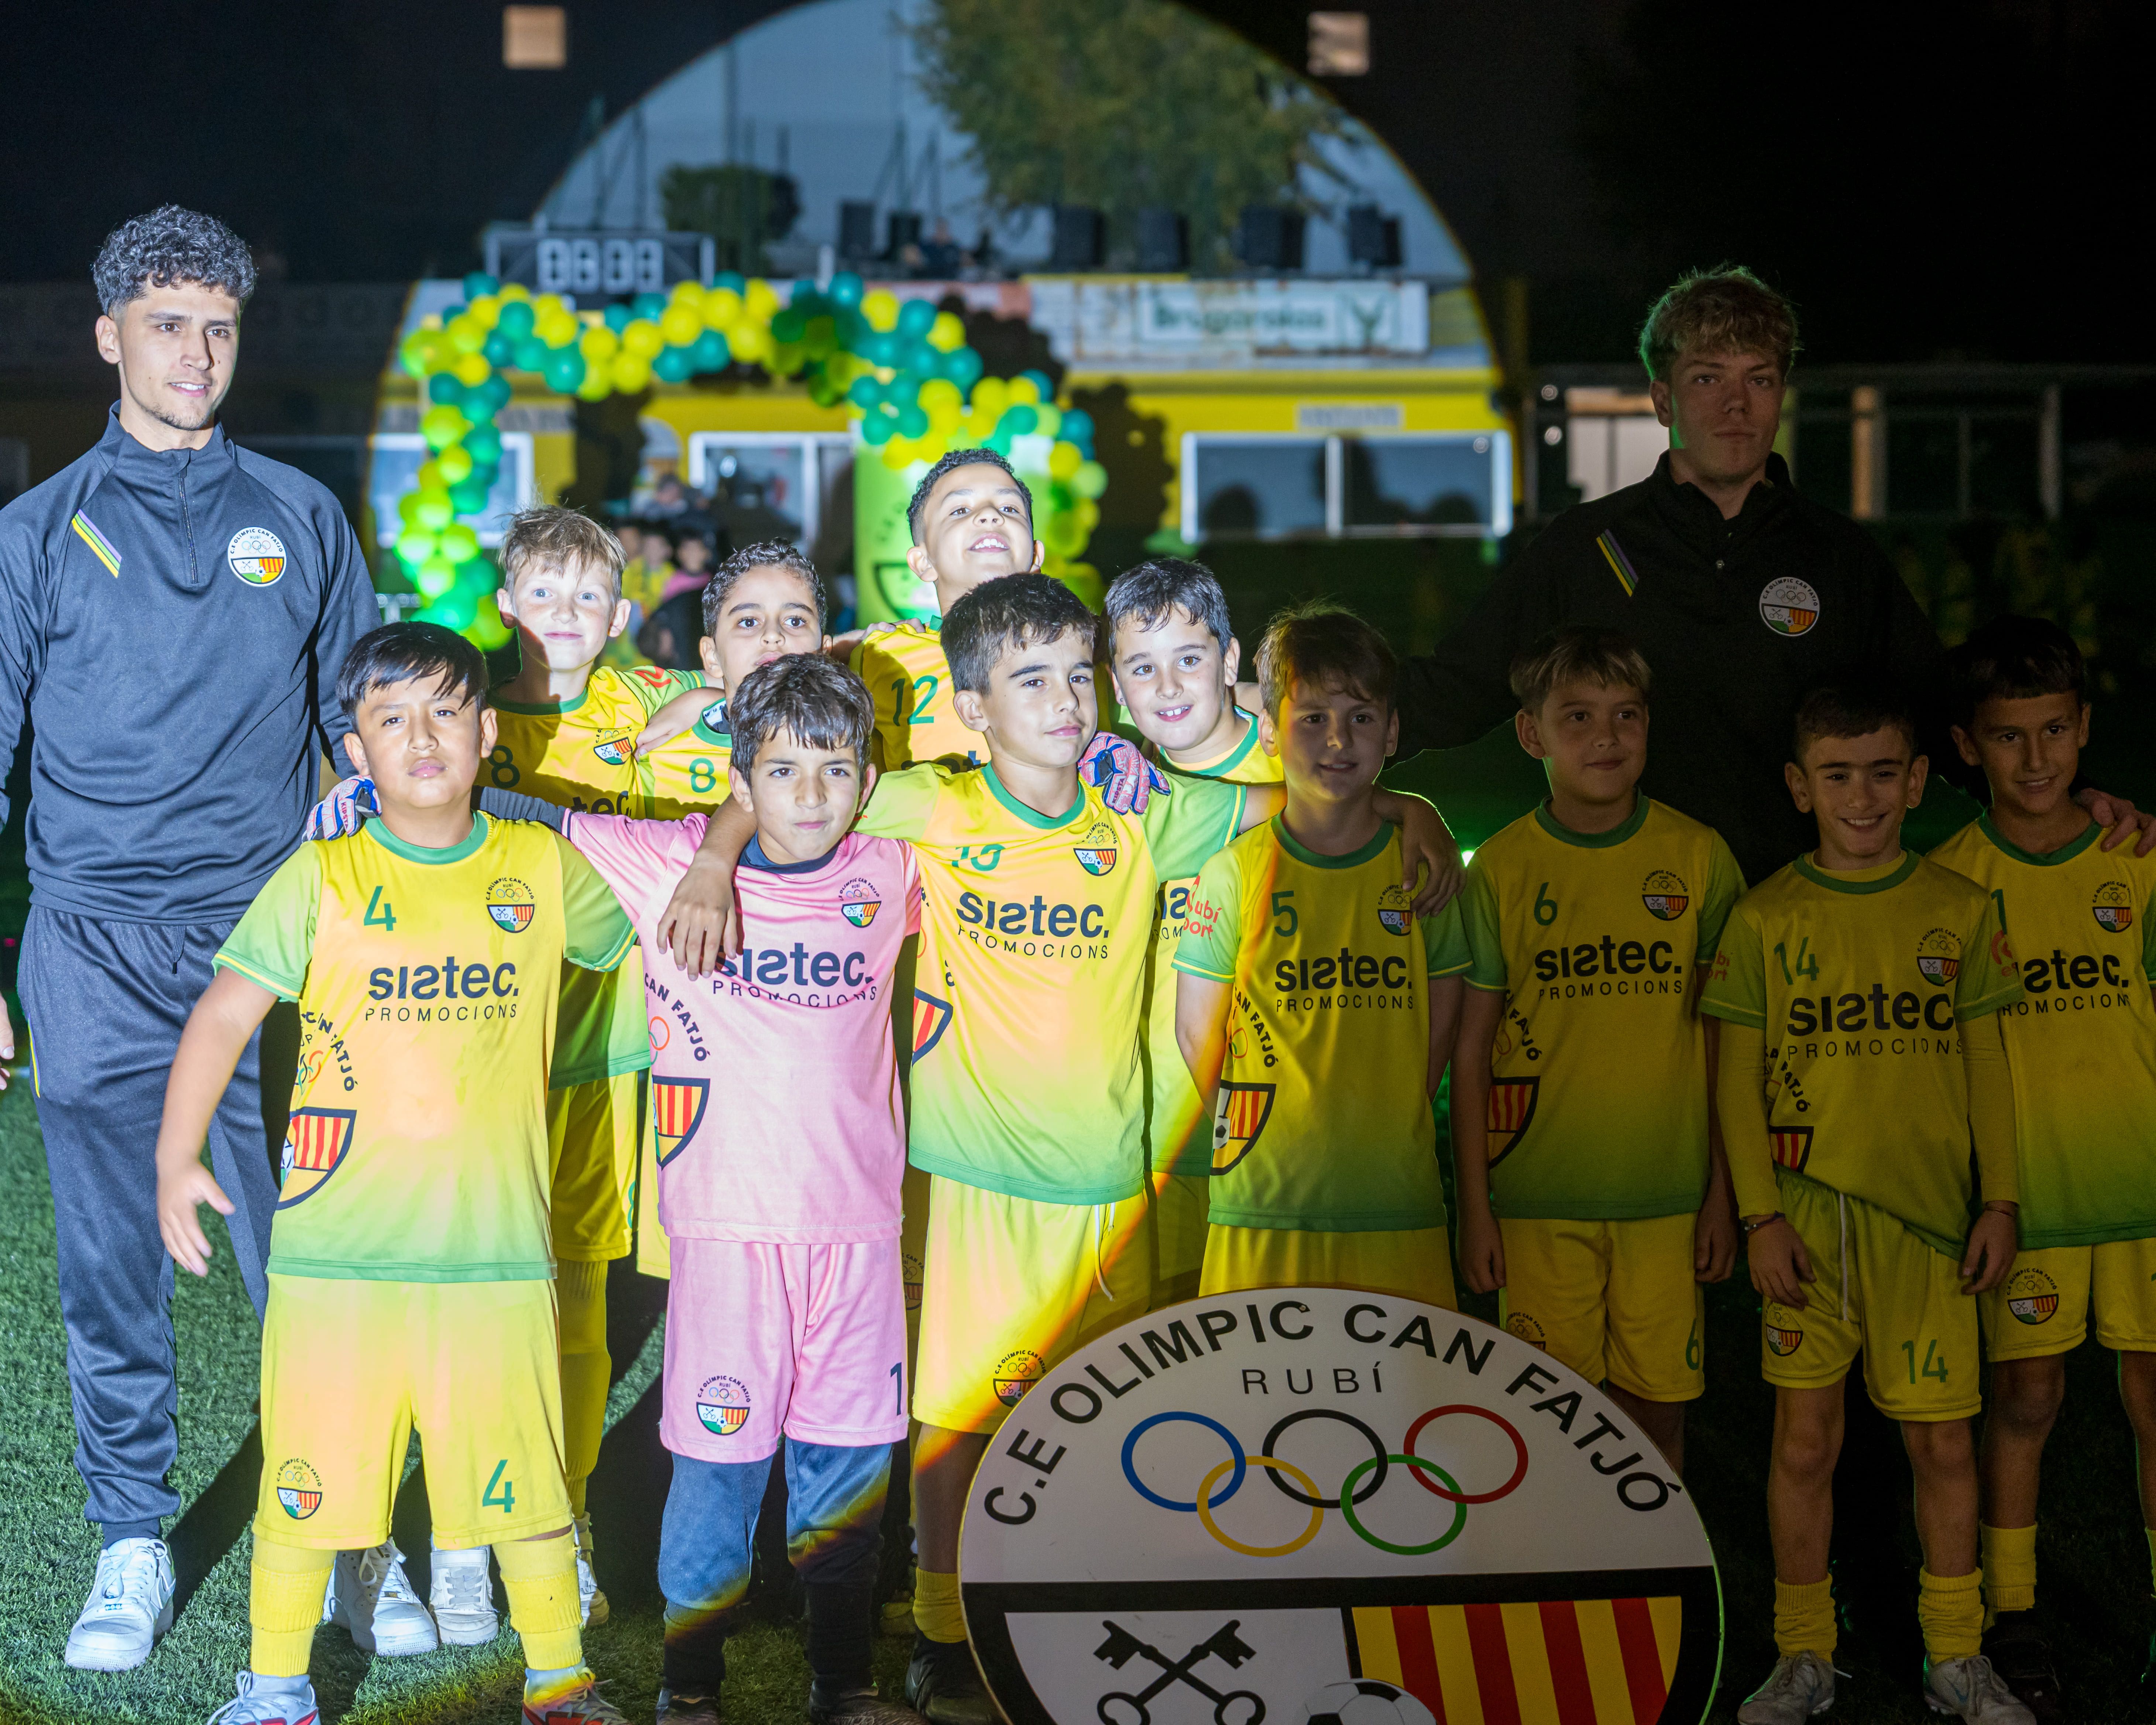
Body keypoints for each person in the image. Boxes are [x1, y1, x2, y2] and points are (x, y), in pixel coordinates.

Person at [670, 574, 1451, 1723]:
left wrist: (1408, 811)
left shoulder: (1139, 809)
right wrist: (709, 855)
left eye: (1076, 676)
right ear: (970, 705)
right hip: (970, 1177)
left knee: (1110, 1416)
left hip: (1106, 1182)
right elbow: (779, 799)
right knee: (955, 1416)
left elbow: (1298, 807)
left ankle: (1085, 1610)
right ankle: (938, 1630)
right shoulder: (929, 806)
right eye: (1027, 681)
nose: (1063, 702)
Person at [0, 204, 384, 1670]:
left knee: (320, 1249)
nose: (196, 352)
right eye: (167, 324)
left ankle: (347, 1529)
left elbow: (363, 723)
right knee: (108, 1259)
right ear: (109, 337)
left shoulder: (298, 514)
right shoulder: (32, 536)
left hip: (275, 937)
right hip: (91, 942)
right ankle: (128, 1538)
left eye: (219, 325)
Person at [154, 624, 636, 1725]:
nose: (420, 737)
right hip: (339, 1263)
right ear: (354, 750)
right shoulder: (323, 873)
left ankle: (558, 1678)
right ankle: (274, 1688)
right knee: (308, 1483)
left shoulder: (546, 870)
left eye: (442, 712)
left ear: (487, 730)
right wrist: (176, 1156)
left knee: (526, 1480)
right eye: (389, 719)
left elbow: (657, 937)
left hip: (498, 1257)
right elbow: (225, 1010)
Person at [1388, 266, 2155, 887]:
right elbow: (1456, 686)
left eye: (1758, 379)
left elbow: (1941, 716)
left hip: (1796, 911)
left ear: (1780, 394)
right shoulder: (1586, 546)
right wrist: (1314, 726)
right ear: (1661, 398)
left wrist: (2061, 800)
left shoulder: (1837, 556)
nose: (1735, 405)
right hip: (1628, 918)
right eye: (1707, 379)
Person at [497, 656, 926, 1725]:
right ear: (742, 781)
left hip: (860, 1236)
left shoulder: (898, 867)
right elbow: (537, 813)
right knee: (717, 1471)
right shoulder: (665, 868)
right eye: (782, 773)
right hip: (728, 1237)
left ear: (869, 779)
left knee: (847, 1471)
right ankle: (689, 1688)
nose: (813, 797)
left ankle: (844, 1683)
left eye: (836, 771)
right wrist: (364, 785)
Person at [1703, 685, 2032, 1725]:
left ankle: (1956, 1656)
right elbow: (1734, 1084)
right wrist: (1759, 1216)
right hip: (1807, 1232)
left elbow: (1991, 1068)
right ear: (1801, 788)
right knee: (1805, 1444)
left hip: (1931, 1229)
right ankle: (1803, 1654)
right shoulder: (1764, 917)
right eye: (1838, 775)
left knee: (1941, 1446)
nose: (1862, 795)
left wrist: (2002, 1202)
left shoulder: (1960, 911)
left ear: (1919, 781)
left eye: (1884, 772)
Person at [466, 506, 698, 1635]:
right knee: (488, 1302)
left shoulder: (653, 705)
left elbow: (771, 698)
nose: (567, 617)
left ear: (621, 611)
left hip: (622, 1053)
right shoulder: (460, 717)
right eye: (544, 595)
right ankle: (485, 1532)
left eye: (589, 598)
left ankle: (566, 1537)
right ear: (507, 603)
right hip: (493, 1059)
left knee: (585, 1312)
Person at [1448, 627, 1744, 1476]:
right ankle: (1563, 1594)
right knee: (1549, 1423)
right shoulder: (1502, 869)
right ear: (1531, 734)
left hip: (1667, 1199)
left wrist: (1723, 1195)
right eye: (1577, 717)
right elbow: (1470, 1053)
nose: (1606, 738)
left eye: (1625, 716)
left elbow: (1727, 1044)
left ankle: (1659, 1597)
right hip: (1539, 1202)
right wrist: (1477, 1206)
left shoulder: (1697, 857)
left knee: (1657, 1412)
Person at [1929, 618, 2156, 1718]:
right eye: (2006, 739)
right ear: (1966, 748)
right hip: (2025, 1203)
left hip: (2142, 1193)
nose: (2033, 762)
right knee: (2024, 1396)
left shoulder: (2137, 863)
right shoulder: (1947, 886)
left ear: (2082, 730)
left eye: (2052, 733)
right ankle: (2008, 1616)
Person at [1173, 602, 1469, 1307]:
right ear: (1271, 732)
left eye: (1362, 717)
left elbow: (1443, 1030)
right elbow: (1197, 1034)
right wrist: (1260, 1139)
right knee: (1255, 1409)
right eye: (1313, 718)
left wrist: (1388, 1121)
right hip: (1262, 1207)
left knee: (1397, 1413)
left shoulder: (1425, 868)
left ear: (1393, 731)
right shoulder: (1235, 873)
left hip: (1396, 1206)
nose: (1339, 738)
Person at [1102, 556, 1286, 1309]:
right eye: (1142, 668)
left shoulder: (1304, 758)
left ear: (1230, 659)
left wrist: (1413, 809)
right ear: (1115, 688)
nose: (1169, 687)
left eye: (1190, 657)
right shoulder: (1114, 786)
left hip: (1294, 1131)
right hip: (1169, 1143)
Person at [853, 449, 1043, 772]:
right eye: (960, 510)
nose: (989, 516)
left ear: (1036, 556)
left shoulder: (1086, 651)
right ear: (923, 562)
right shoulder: (880, 656)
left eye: (1009, 508)